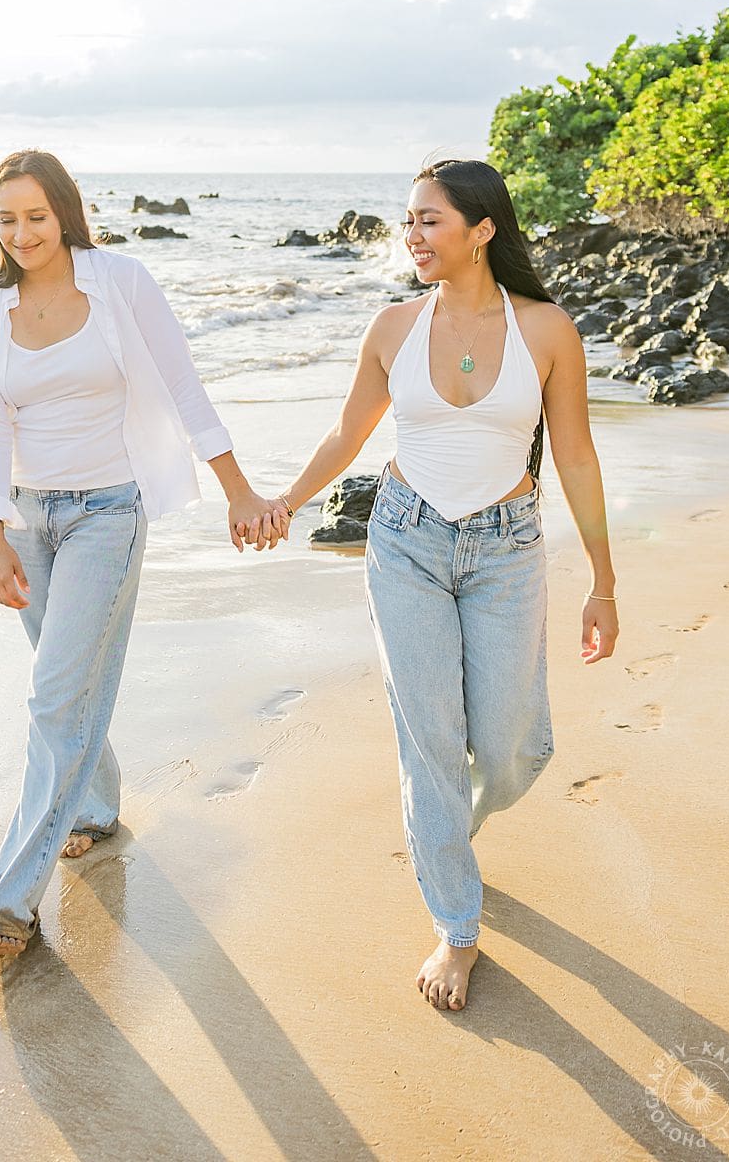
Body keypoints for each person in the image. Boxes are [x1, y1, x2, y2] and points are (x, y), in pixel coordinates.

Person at [267, 158, 618, 1012]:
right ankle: (457, 927)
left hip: (507, 548)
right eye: (410, 220)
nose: (413, 236)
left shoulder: (546, 330)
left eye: (430, 220)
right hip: (406, 542)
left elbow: (575, 455)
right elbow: (349, 435)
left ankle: (451, 822)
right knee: (429, 742)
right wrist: (286, 501)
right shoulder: (393, 327)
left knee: (512, 750)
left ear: (482, 229)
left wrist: (604, 581)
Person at [0, 149, 284, 957]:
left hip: (107, 514)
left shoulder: (121, 281)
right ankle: (96, 808)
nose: (22, 233)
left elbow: (183, 386)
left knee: (54, 696)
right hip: (27, 519)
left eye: (36, 216)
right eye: (6, 219)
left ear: (65, 212)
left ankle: (11, 898)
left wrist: (239, 490)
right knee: (69, 684)